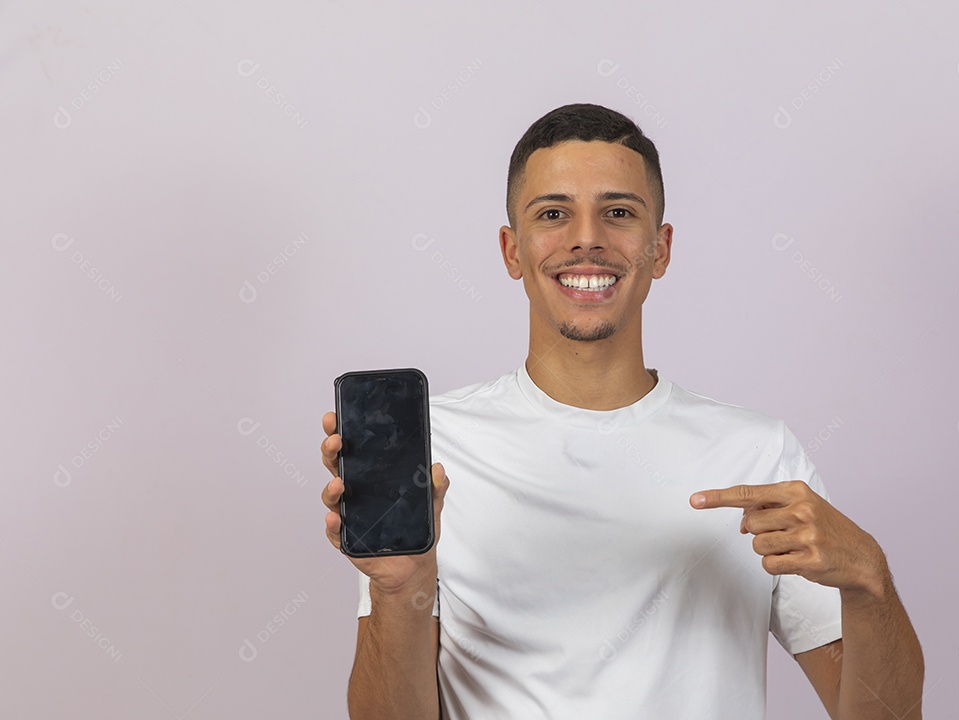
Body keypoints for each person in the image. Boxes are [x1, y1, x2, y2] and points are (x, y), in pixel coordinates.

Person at [320, 103, 924, 719]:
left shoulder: (756, 455)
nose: (587, 238)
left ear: (659, 249)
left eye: (619, 213)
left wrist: (871, 583)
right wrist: (400, 590)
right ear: (511, 250)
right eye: (553, 213)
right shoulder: (433, 454)